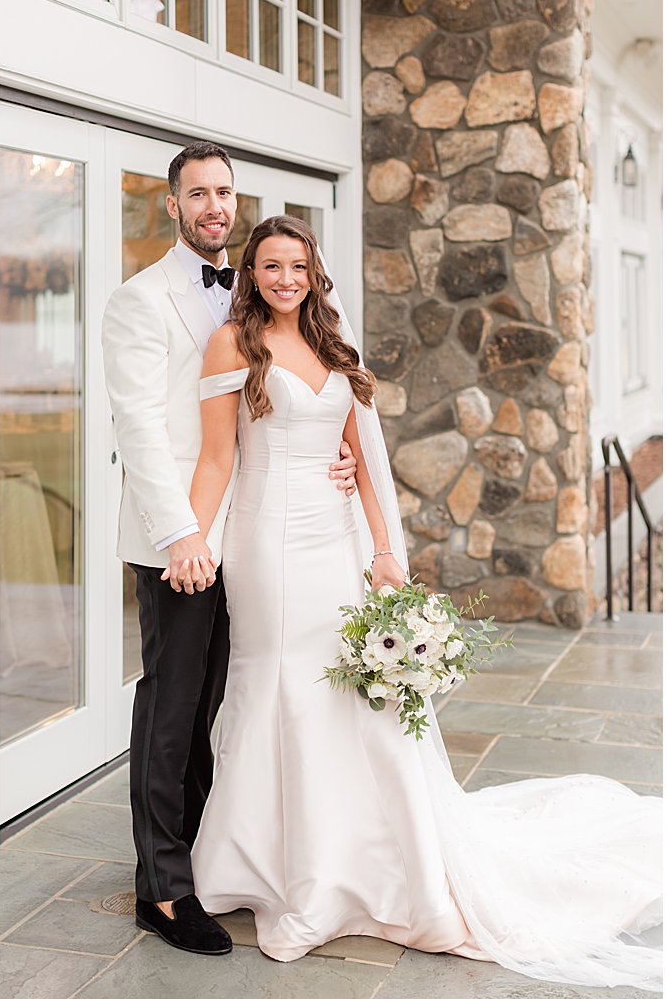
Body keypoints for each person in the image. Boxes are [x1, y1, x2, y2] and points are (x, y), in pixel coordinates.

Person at [186, 214, 662, 990]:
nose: (284, 279)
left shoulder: (335, 340)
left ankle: (366, 860)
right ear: (250, 272)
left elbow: (365, 458)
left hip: (334, 540)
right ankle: (284, 869)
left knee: (347, 694)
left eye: (297, 266)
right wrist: (191, 538)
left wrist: (381, 550)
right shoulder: (233, 345)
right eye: (270, 266)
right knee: (278, 692)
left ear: (314, 273)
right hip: (264, 544)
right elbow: (215, 456)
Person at [100, 143, 356, 957]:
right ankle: (164, 890)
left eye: (224, 191)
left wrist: (335, 459)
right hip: (180, 535)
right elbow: (141, 427)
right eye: (198, 193)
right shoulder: (140, 301)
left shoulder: (262, 295)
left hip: (253, 530)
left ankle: (204, 858)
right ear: (171, 205)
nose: (214, 204)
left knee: (215, 702)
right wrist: (181, 533)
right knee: (170, 710)